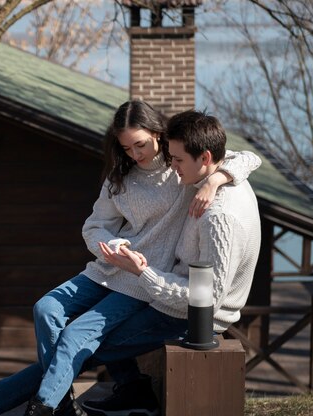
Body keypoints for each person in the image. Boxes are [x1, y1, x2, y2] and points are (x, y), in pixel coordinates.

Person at [0, 102, 260, 416]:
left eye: (141, 144)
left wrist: (215, 181)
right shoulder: (124, 177)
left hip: (149, 282)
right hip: (116, 269)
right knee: (47, 310)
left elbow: (246, 158)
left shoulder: (182, 169)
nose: (136, 153)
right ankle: (62, 399)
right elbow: (94, 227)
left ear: (159, 135)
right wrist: (112, 244)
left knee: (76, 341)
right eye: (127, 147)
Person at [80, 109, 262, 416]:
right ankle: (132, 393)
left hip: (185, 315)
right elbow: (243, 158)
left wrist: (144, 273)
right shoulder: (207, 178)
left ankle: (19, 402)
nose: (172, 167)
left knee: (90, 340)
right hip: (170, 295)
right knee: (82, 331)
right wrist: (214, 179)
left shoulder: (219, 217)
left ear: (204, 158)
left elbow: (206, 300)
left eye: (176, 160)